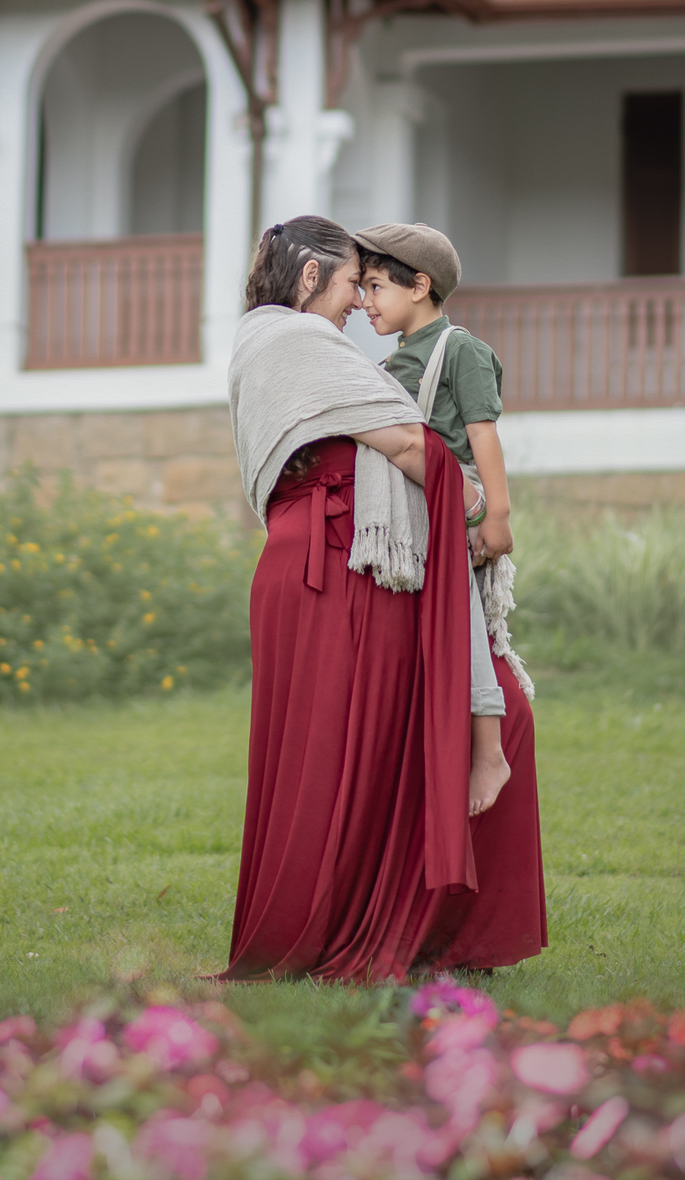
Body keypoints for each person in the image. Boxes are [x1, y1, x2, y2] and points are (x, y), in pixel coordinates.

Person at [223, 215, 545, 983]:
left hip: (332, 555)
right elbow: (404, 442)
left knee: (350, 744)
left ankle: (419, 925)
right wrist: (479, 503)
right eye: (347, 285)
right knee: (360, 742)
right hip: (342, 560)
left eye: (370, 287)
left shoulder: (264, 342)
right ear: (309, 280)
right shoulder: (299, 342)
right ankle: (394, 928)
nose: (353, 307)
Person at [355, 223, 517, 819]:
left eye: (375, 286)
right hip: (406, 517)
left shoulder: (461, 351)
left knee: (465, 620)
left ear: (419, 285)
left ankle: (489, 748)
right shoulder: (391, 359)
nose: (364, 301)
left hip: (447, 511)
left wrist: (495, 515)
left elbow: (482, 436)